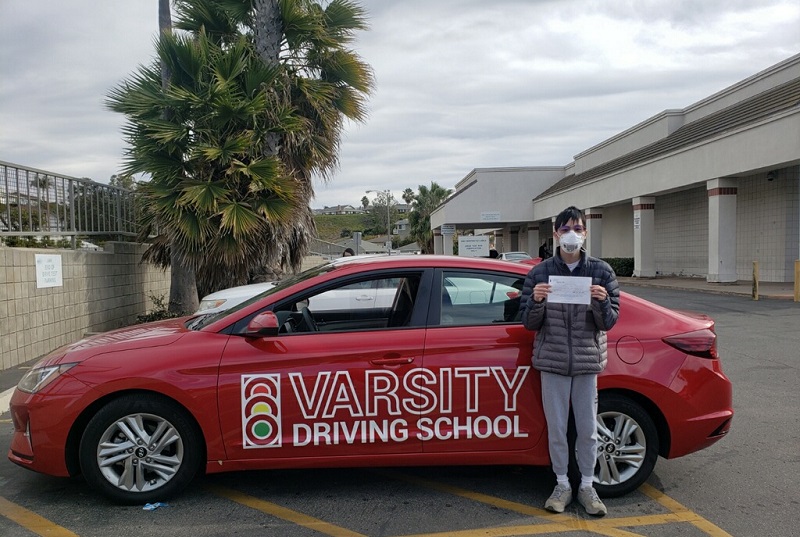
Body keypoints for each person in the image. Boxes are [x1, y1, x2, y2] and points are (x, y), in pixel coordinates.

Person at [520, 206, 619, 516]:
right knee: (557, 429)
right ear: (556, 234)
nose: (571, 234)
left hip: (587, 362)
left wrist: (601, 303)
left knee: (589, 430)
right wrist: (536, 301)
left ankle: (587, 486)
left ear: (585, 232)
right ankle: (562, 484)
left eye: (576, 228)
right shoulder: (539, 273)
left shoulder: (602, 271)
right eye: (565, 229)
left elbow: (610, 322)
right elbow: (529, 323)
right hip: (552, 362)